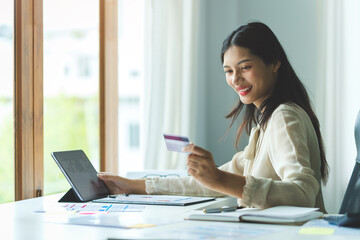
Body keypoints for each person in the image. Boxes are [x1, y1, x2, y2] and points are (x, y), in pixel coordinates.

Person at [98, 22, 329, 213]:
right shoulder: (265, 123)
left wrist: (218, 179)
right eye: (229, 71)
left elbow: (303, 194)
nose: (236, 79)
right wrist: (131, 185)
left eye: (245, 67)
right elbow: (214, 181)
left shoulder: (284, 116)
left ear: (275, 63)